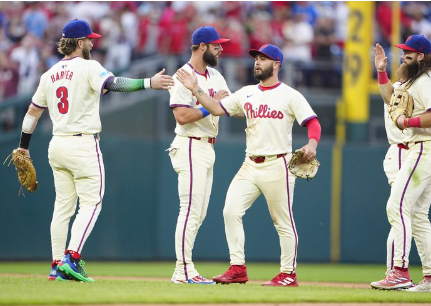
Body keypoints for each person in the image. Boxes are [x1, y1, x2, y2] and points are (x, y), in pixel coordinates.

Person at [14, 19, 174, 282]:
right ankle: (72, 259)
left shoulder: (49, 74)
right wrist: (148, 83)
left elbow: (32, 112)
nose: (92, 43)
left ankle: (56, 265)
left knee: (62, 207)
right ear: (79, 43)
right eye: (89, 39)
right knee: (92, 202)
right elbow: (115, 84)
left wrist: (23, 146)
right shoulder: (88, 66)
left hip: (57, 145)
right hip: (82, 144)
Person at [176, 44, 322, 287]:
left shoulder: (290, 95)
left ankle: (288, 274)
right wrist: (196, 89)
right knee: (230, 211)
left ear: (276, 65)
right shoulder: (245, 93)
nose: (257, 62)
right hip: (250, 164)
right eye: (256, 58)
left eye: (263, 59)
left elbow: (312, 122)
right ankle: (237, 268)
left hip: (278, 164)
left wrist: (312, 145)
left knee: (283, 222)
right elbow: (215, 108)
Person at [167, 26, 231, 285]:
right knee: (190, 210)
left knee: (199, 213)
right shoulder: (183, 74)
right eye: (216, 45)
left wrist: (208, 102)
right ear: (202, 46)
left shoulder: (215, 75)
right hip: (190, 144)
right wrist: (210, 106)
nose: (221, 48)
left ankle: (185, 269)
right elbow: (182, 116)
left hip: (208, 146)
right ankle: (182, 270)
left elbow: (226, 106)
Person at [371, 35, 431, 292]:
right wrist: (382, 72)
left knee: (396, 206)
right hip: (420, 150)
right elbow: (390, 99)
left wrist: (407, 122)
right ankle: (429, 278)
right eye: (403, 51)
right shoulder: (411, 80)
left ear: (421, 56)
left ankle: (399, 271)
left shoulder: (425, 81)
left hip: (423, 149)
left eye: (409, 52)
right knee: (417, 217)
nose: (403, 55)